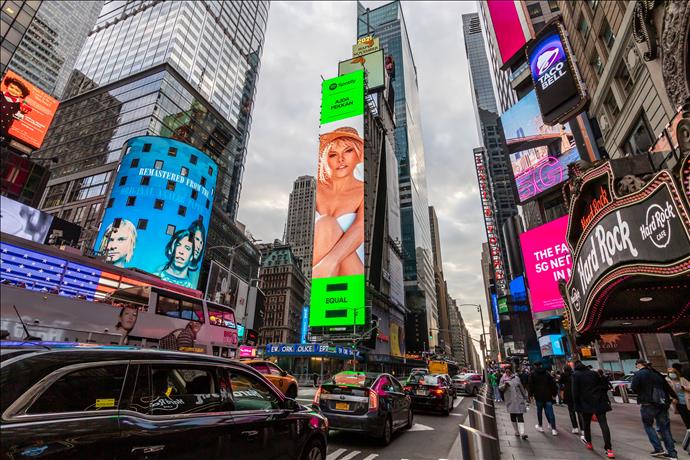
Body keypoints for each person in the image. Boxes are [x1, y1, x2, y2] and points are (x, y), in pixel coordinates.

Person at [312, 126, 364, 279]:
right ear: (326, 159)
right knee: (325, 224)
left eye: (348, 151)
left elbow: (361, 227)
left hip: (351, 273)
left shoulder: (363, 191)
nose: (341, 159)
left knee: (326, 224)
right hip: (315, 271)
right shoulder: (314, 189)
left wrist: (329, 263)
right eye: (333, 154)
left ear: (358, 154)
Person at [631, 359, 678, 459]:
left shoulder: (639, 374)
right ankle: (672, 454)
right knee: (665, 428)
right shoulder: (657, 374)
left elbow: (634, 388)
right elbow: (667, 388)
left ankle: (658, 449)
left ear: (639, 364)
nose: (636, 366)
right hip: (662, 404)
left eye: (636, 364)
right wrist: (675, 397)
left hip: (648, 404)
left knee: (648, 426)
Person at [572, 361, 615, 458]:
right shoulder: (593, 373)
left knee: (586, 424)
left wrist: (576, 406)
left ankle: (589, 443)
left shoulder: (576, 375)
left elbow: (575, 391)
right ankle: (609, 449)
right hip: (599, 401)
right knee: (604, 425)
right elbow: (602, 386)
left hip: (585, 403)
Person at [528, 361, 558, 435]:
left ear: (535, 366)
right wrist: (554, 394)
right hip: (547, 395)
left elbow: (530, 385)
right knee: (550, 412)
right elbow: (553, 384)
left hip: (538, 396)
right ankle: (553, 428)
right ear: (541, 365)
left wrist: (530, 395)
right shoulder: (547, 373)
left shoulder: (532, 374)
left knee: (539, 411)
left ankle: (540, 426)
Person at [499, 365, 529, 440]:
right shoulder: (503, 379)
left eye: (509, 371)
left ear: (511, 371)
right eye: (506, 371)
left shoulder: (516, 378)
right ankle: (516, 431)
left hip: (519, 399)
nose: (508, 373)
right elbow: (500, 388)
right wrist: (505, 385)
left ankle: (522, 433)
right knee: (513, 416)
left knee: (520, 415)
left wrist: (526, 397)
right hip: (510, 400)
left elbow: (521, 388)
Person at [1, 75, 31, 140]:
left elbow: (17, 118)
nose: (13, 90)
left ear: (21, 95)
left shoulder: (19, 105)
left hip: (3, 130)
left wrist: (22, 113)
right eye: (11, 87)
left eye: (17, 90)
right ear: (7, 86)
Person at [560, 364, 581, 434]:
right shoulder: (574, 374)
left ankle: (575, 427)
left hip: (568, 394)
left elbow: (560, 382)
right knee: (579, 412)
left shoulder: (563, 375)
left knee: (571, 412)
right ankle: (583, 428)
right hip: (576, 394)